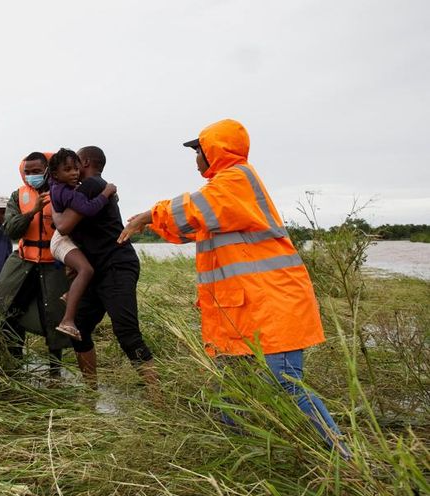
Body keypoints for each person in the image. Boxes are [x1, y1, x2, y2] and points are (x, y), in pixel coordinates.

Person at [118, 119, 346, 452]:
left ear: (213, 151)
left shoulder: (236, 181)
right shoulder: (225, 195)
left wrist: (147, 215)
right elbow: (186, 227)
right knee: (232, 384)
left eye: (198, 152)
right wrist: (154, 222)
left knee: (286, 384)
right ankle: (237, 448)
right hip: (246, 309)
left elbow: (190, 210)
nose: (196, 161)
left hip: (273, 304)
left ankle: (342, 456)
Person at [53, 145, 154, 383]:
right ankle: (91, 391)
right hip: (99, 269)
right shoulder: (91, 189)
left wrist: (54, 211)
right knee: (78, 328)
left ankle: (156, 396)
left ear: (85, 162)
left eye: (75, 162)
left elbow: (64, 225)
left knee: (127, 333)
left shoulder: (92, 186)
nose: (73, 169)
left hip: (116, 266)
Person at [0, 152, 73, 367]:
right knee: (6, 308)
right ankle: (14, 363)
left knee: (55, 318)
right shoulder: (17, 196)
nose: (31, 176)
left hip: (54, 263)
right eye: (27, 172)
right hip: (23, 261)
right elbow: (10, 230)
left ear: (47, 170)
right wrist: (33, 211)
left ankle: (55, 372)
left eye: (36, 172)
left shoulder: (64, 192)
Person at [45, 148, 117, 340]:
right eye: (68, 170)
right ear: (55, 174)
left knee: (82, 270)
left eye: (76, 168)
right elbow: (89, 208)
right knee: (86, 270)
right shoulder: (68, 193)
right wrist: (107, 192)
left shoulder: (57, 185)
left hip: (67, 240)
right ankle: (67, 321)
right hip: (61, 241)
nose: (75, 173)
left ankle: (70, 295)